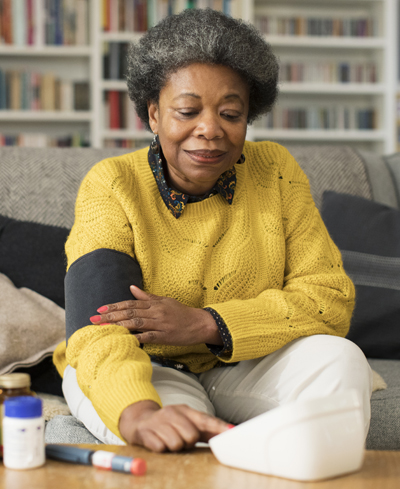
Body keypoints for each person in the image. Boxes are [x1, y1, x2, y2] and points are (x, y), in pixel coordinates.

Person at [53, 8, 372, 453]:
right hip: (149, 367)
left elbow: (328, 297)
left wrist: (207, 324)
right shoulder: (113, 185)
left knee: (341, 361)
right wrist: (140, 414)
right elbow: (97, 327)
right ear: (153, 114)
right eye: (187, 111)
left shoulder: (276, 171)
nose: (210, 130)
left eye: (230, 113)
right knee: (173, 436)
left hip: (248, 360)